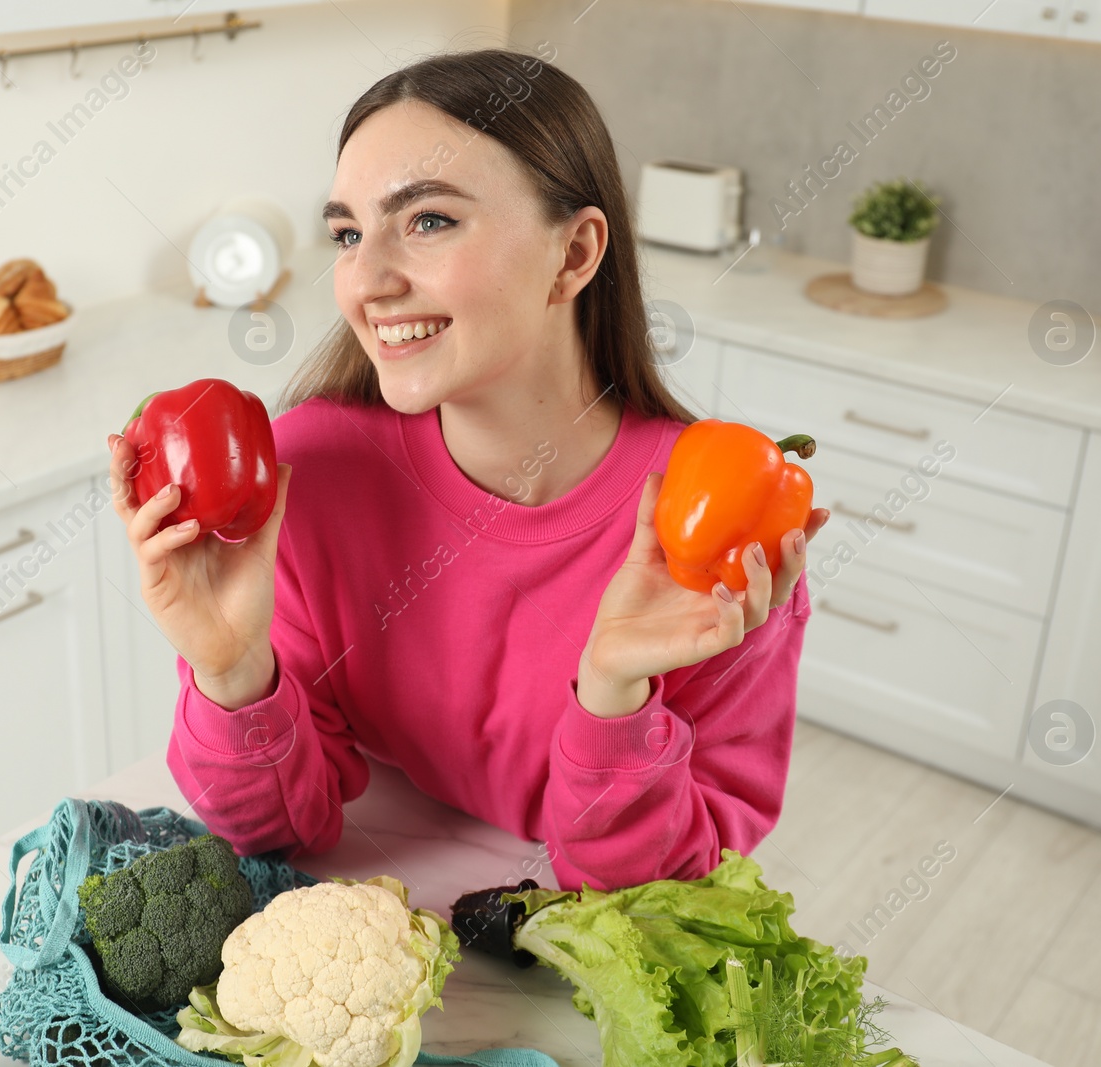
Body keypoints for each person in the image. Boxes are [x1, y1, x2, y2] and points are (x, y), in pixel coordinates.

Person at [106, 47, 828, 891]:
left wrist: (612, 699)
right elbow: (282, 833)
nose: (366, 280)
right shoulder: (309, 471)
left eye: (429, 221)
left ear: (574, 255)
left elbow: (669, 894)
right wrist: (231, 672)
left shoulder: (718, 520)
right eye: (348, 232)